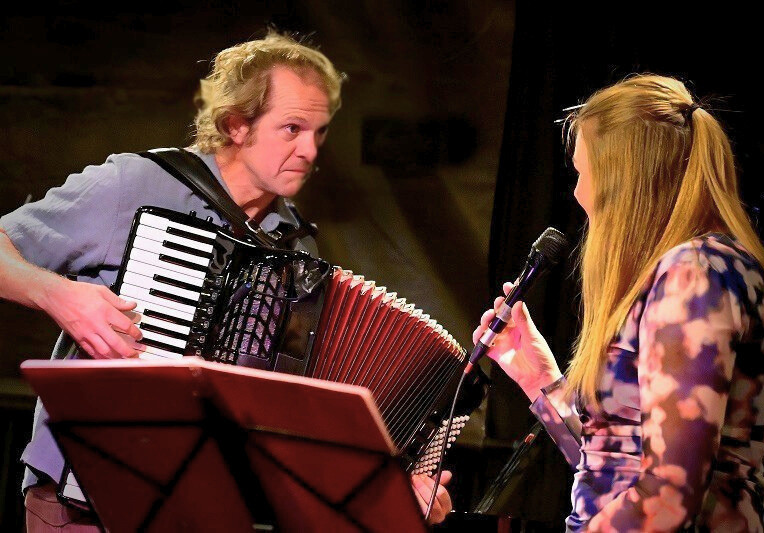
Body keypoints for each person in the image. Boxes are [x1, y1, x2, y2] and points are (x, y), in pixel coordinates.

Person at [0, 32, 450, 530]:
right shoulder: (137, 183)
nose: (309, 150)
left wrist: (392, 485)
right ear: (236, 124)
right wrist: (59, 294)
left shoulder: (296, 248)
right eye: (292, 128)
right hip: (85, 496)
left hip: (204, 509)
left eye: (318, 132)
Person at [474, 74, 764, 532]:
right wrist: (539, 379)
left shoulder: (695, 274)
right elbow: (616, 466)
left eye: (582, 173)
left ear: (623, 182)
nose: (577, 194)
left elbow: (668, 495)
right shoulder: (692, 271)